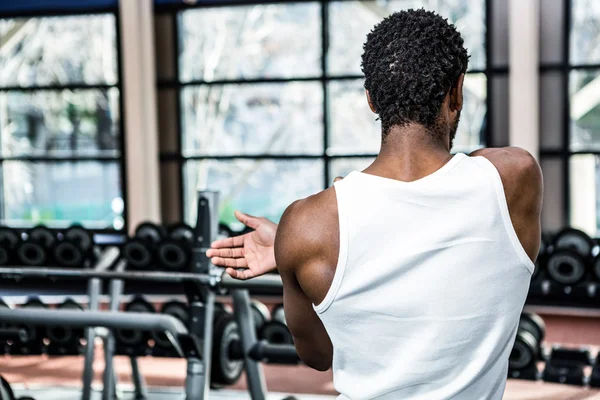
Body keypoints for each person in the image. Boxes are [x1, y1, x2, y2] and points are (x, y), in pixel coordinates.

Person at [207, 9, 542, 399]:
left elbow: (319, 356)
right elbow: (433, 217)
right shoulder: (514, 178)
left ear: (370, 99)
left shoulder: (308, 228)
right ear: (456, 91)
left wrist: (290, 252)